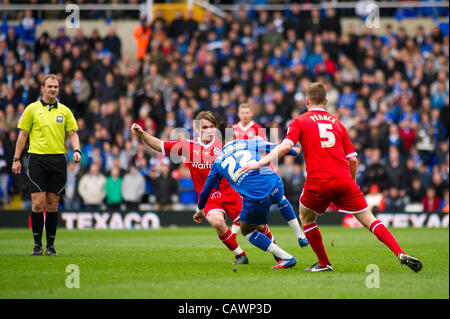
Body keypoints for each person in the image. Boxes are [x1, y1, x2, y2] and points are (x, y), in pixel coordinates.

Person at [240, 82, 423, 273]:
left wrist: (259, 163)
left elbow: (286, 147)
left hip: (318, 180)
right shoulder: (338, 124)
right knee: (370, 219)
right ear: (326, 101)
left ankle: (324, 263)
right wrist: (350, 183)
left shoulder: (299, 121)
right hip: (344, 179)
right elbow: (353, 160)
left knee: (306, 217)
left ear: (307, 101)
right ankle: (399, 252)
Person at [132, 111, 257, 265]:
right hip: (209, 198)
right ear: (197, 128)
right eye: (205, 127)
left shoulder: (223, 143)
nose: (209, 130)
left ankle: (280, 255)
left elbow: (246, 153)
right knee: (217, 223)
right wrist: (142, 133)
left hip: (231, 193)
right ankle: (240, 255)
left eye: (212, 127)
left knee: (258, 225)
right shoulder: (188, 146)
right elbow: (160, 146)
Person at [196, 122, 308, 269]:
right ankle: (300, 235)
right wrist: (295, 151)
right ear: (235, 135)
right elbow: (282, 149)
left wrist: (199, 211)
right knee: (280, 198)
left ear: (219, 140)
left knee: (247, 230)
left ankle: (286, 257)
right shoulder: (249, 142)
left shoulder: (217, 162)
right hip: (274, 182)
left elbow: (205, 191)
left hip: (256, 198)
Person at [12, 74, 81, 256]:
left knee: (52, 204)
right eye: (49, 86)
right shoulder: (31, 109)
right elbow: (23, 135)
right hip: (37, 159)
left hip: (58, 160)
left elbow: (73, 133)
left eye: (55, 87)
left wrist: (77, 150)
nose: (52, 89)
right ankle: (37, 244)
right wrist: (16, 158)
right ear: (42, 88)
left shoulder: (65, 111)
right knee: (37, 203)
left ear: (58, 89)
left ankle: (50, 246)